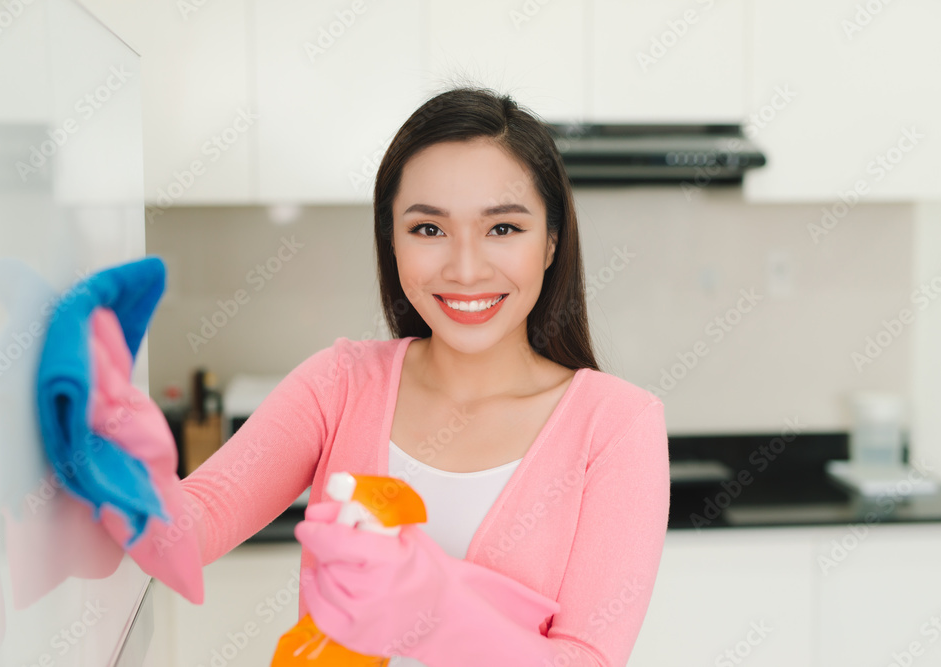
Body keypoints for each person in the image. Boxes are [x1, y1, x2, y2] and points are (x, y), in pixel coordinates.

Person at [180, 86, 670, 666]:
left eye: (504, 229)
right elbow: (195, 522)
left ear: (551, 243)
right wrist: (106, 449)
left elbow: (590, 659)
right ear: (392, 240)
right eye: (429, 230)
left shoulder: (616, 426)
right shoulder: (339, 385)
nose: (465, 268)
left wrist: (438, 615)